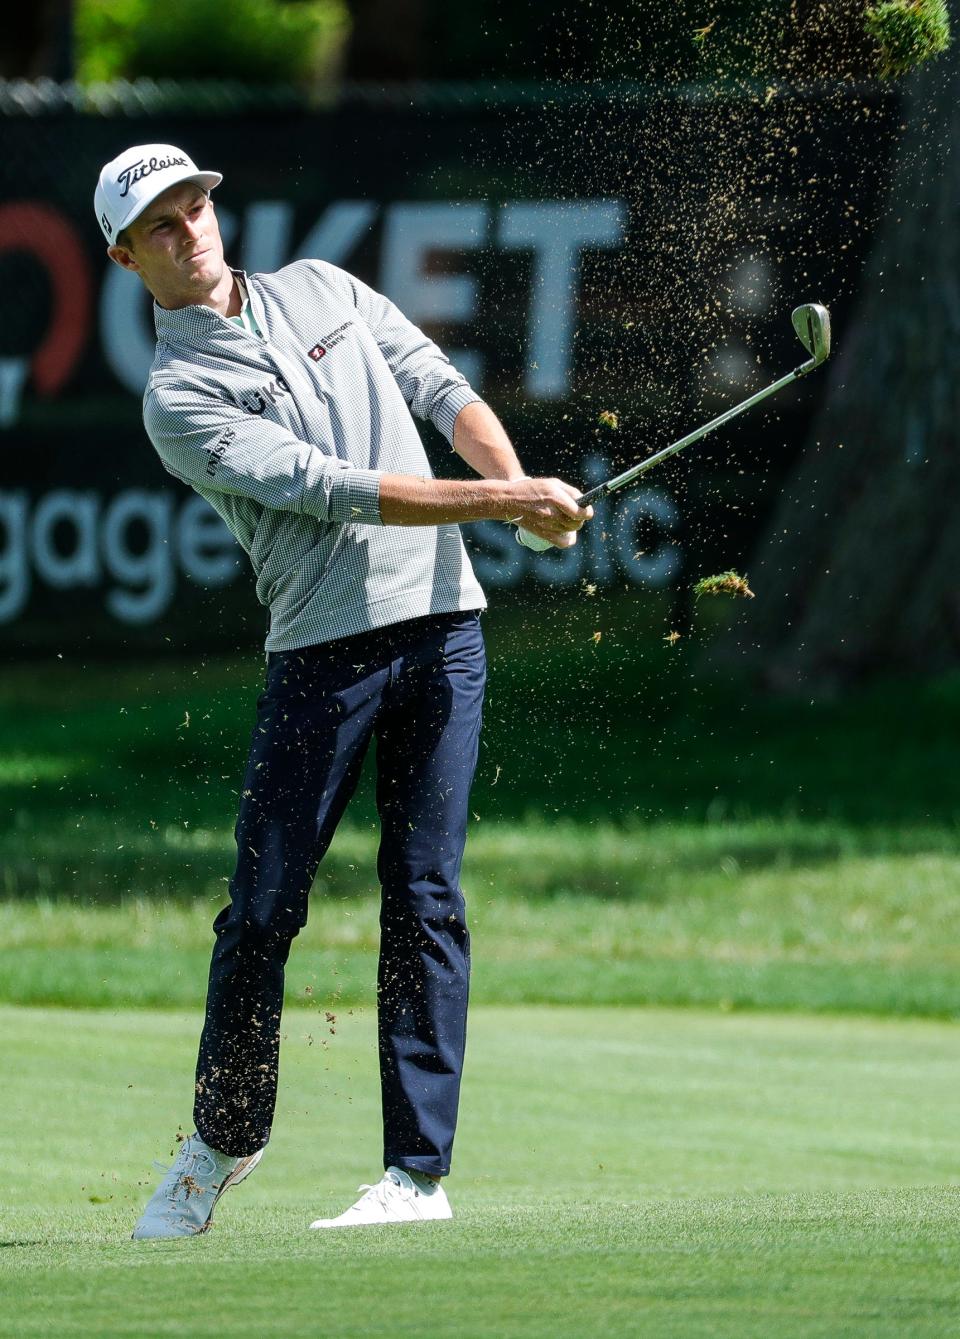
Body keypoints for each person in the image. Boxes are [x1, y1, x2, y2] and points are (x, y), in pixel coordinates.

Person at [94, 144, 592, 1239]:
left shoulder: (324, 285)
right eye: (162, 226)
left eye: (196, 206)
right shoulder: (178, 397)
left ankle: (416, 1175)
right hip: (325, 653)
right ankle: (223, 1139)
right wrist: (507, 499)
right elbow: (333, 492)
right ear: (129, 258)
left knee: (427, 897)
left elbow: (440, 388)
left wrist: (511, 486)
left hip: (448, 629)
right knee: (264, 907)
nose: (191, 230)